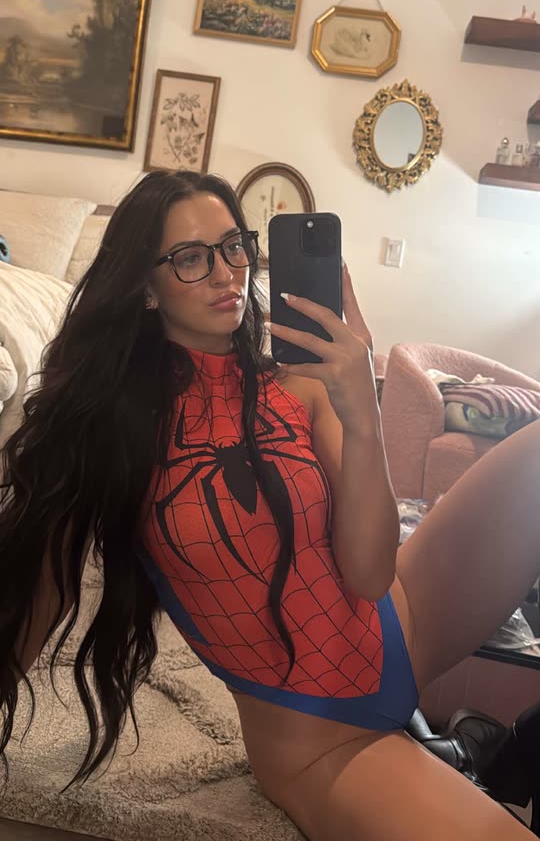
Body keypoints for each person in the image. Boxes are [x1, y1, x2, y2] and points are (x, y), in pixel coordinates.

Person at [0, 170, 539, 841]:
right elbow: (37, 589)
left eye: (234, 246)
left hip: (406, 615)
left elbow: (370, 573)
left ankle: (518, 749)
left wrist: (362, 410)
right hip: (322, 744)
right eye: (191, 258)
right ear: (145, 285)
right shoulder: (107, 433)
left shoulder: (300, 386)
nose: (227, 273)